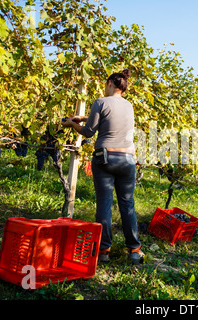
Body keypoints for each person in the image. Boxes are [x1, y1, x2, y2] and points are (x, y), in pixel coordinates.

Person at [61, 69, 144, 265]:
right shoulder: (129, 106)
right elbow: (111, 122)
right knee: (127, 205)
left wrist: (72, 124)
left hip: (105, 158)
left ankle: (104, 250)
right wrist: (83, 118)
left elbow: (89, 132)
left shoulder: (100, 102)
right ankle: (134, 250)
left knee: (105, 205)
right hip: (127, 160)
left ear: (109, 84)